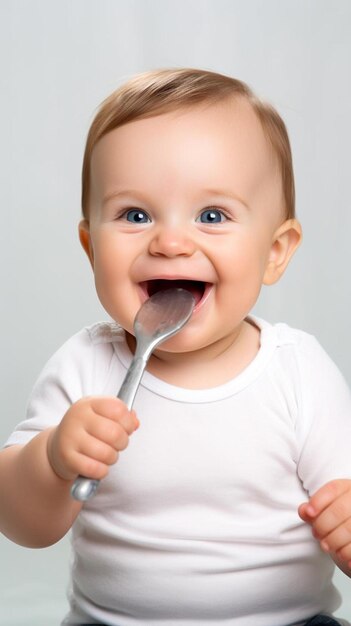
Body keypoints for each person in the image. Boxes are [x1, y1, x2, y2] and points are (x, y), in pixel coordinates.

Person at [0, 68, 350, 626]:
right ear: (91, 246)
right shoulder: (86, 365)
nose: (169, 242)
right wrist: (51, 458)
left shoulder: (297, 371)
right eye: (134, 215)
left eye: (213, 216)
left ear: (276, 251)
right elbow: (24, 526)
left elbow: (344, 492)